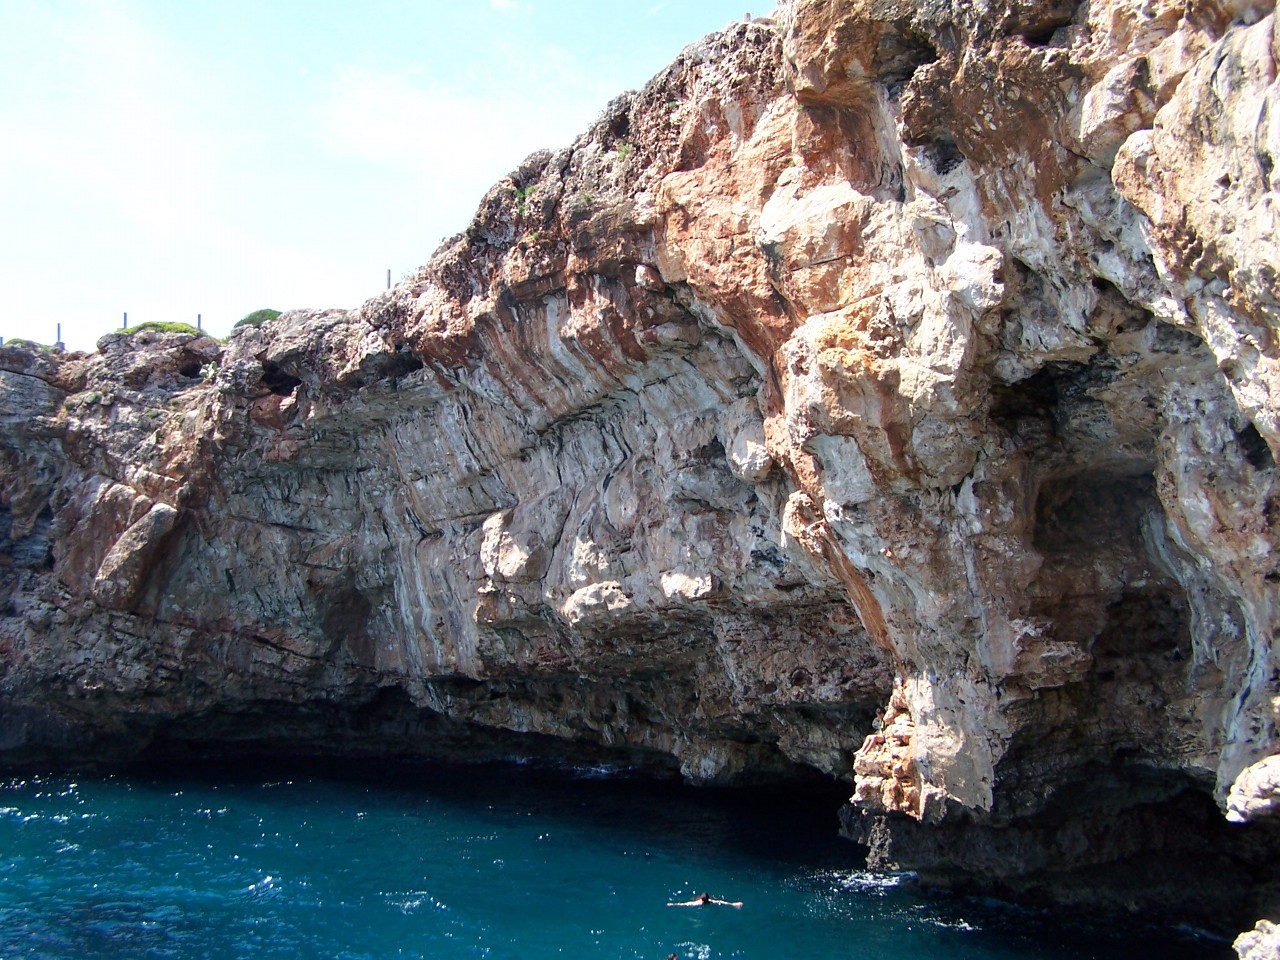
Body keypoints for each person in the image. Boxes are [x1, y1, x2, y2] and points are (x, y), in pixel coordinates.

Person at [666, 891, 743, 908]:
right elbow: (722, 902)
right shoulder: (710, 901)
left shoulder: (698, 903)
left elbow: (685, 904)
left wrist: (673, 904)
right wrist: (734, 904)